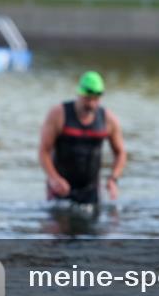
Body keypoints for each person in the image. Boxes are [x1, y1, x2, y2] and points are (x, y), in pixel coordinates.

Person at [38, 71, 126, 211]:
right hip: (60, 189)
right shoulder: (58, 115)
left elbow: (120, 152)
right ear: (79, 93)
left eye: (95, 99)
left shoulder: (108, 119)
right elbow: (44, 151)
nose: (91, 104)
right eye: (87, 98)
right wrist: (53, 178)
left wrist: (113, 179)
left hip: (90, 190)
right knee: (57, 229)